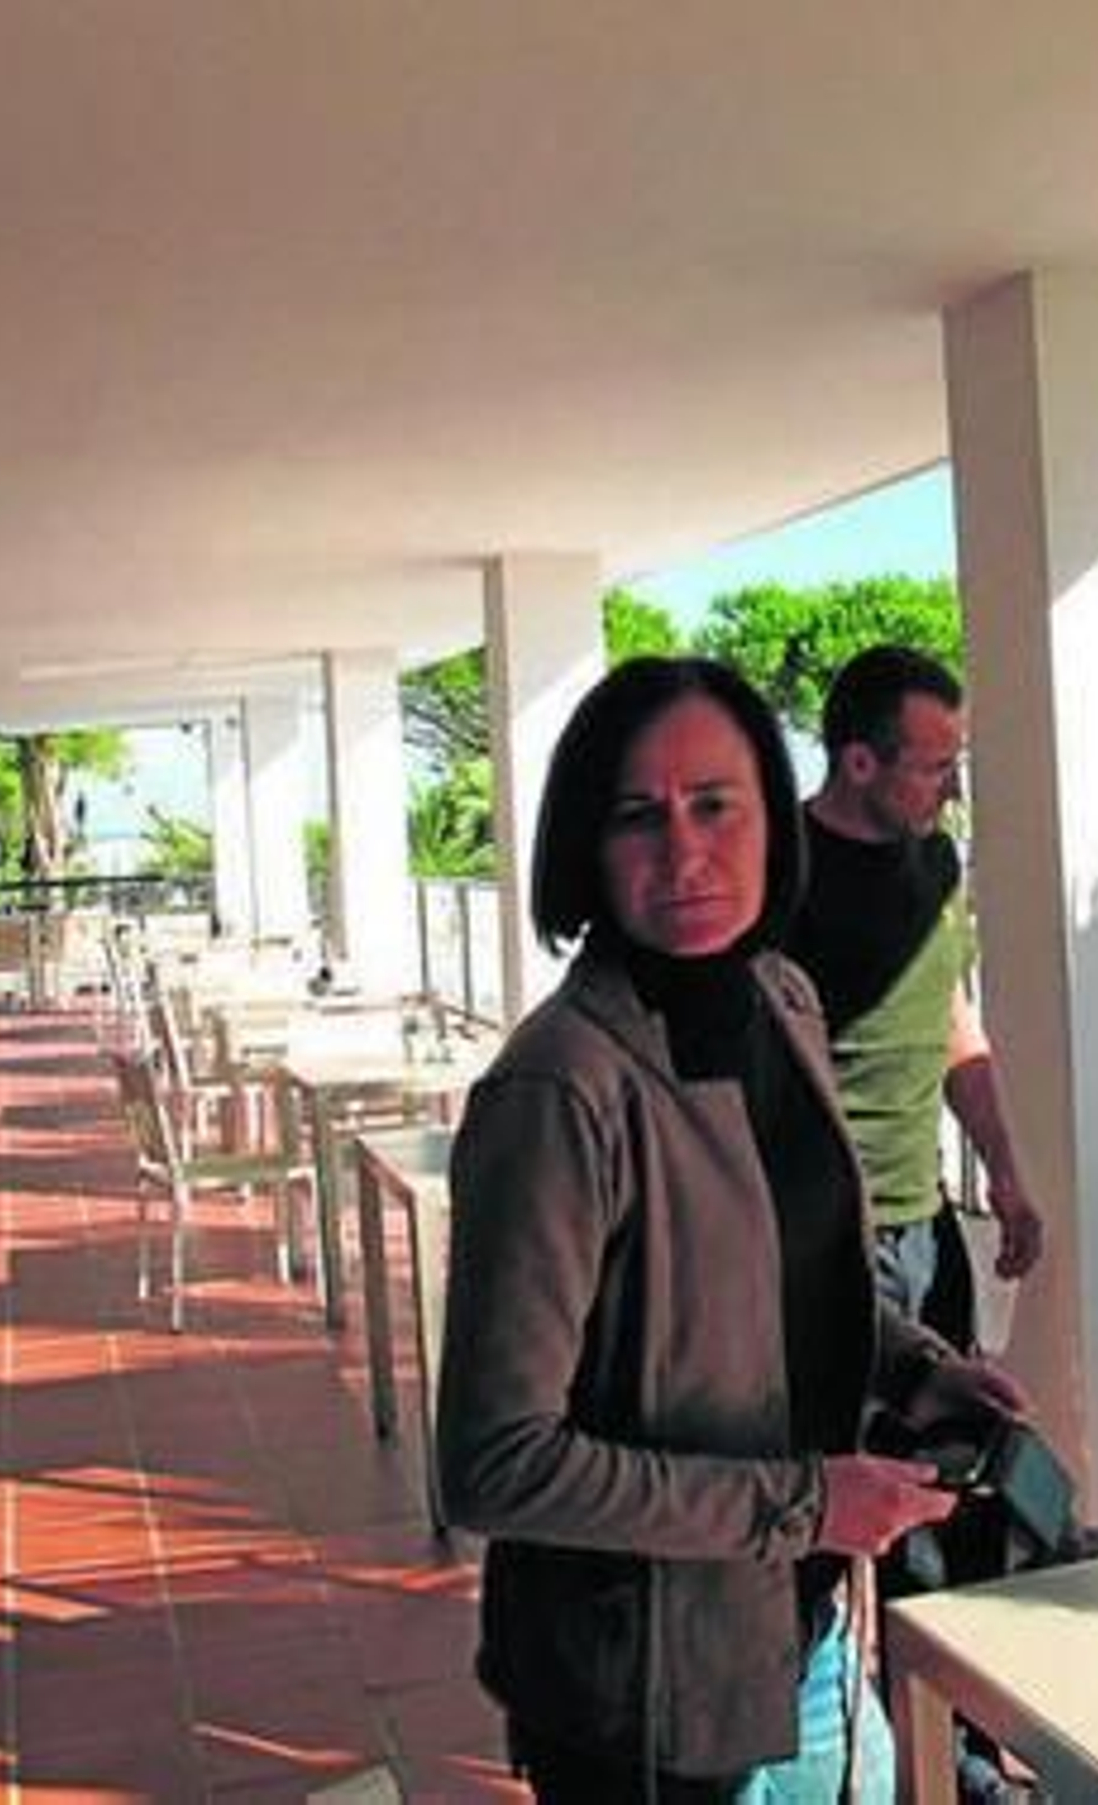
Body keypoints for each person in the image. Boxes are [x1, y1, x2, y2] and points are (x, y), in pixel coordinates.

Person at [436, 656, 1027, 1802]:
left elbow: (781, 1273)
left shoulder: (780, 1001)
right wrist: (805, 1503)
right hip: (642, 1692)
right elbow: (494, 1462)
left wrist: (917, 1366)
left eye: (716, 804)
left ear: (771, 813)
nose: (685, 851)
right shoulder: (559, 1092)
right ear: (586, 848)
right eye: (636, 815)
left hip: (789, 1632)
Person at [787, 644, 1043, 1354]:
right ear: (860, 762)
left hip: (926, 1222)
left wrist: (1005, 1174)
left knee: (952, 1439)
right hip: (821, 1237)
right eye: (935, 769)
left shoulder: (934, 862)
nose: (954, 790)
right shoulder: (781, 875)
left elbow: (951, 1020)